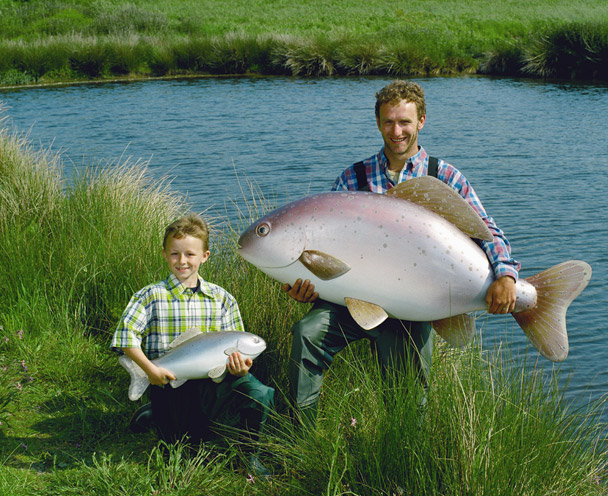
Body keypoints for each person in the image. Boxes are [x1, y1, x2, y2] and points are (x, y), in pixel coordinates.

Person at [282, 80, 520, 425]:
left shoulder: (445, 177)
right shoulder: (353, 179)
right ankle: (299, 442)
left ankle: (405, 461)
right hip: (350, 303)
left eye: (405, 122)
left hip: (412, 309)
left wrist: (506, 275)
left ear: (421, 121)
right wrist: (302, 285)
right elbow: (321, 245)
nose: (397, 131)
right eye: (389, 122)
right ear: (378, 123)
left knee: (409, 398)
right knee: (308, 333)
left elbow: (487, 230)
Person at [111, 213, 273, 474]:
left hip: (212, 384)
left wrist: (241, 369)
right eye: (175, 254)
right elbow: (124, 337)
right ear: (164, 255)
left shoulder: (223, 298)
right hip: (167, 382)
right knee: (182, 449)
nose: (182, 261)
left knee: (260, 393)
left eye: (190, 254)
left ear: (205, 256)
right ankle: (155, 411)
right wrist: (150, 370)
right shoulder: (151, 295)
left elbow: (238, 357)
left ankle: (249, 455)